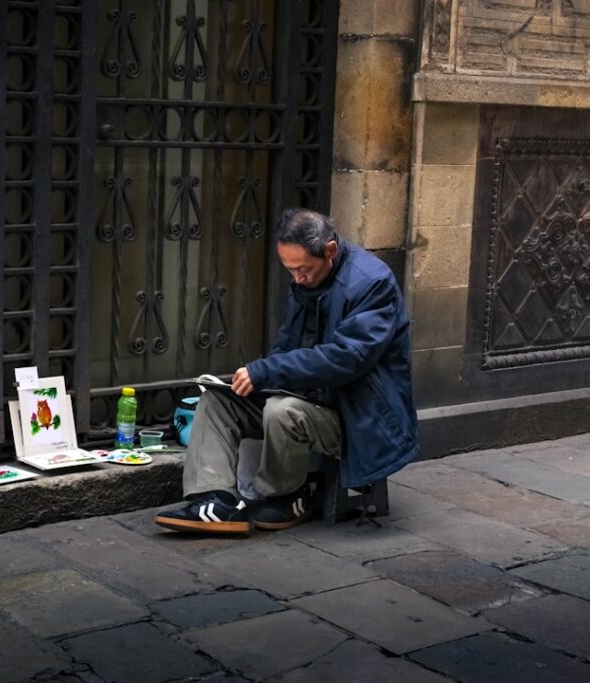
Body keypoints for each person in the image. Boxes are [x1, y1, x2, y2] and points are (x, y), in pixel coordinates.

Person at [155, 208, 418, 534]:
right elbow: (288, 345)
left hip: (359, 415)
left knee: (283, 411)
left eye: (304, 270)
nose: (297, 278)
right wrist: (256, 379)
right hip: (311, 396)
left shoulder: (372, 283)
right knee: (217, 402)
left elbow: (346, 358)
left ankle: (286, 494)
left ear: (330, 251)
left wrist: (268, 371)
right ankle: (215, 499)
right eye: (290, 270)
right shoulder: (307, 279)